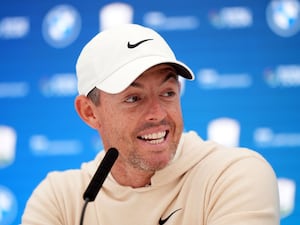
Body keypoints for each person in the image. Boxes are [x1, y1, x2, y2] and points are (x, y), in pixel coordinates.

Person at [21, 24, 280, 225]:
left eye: (167, 93)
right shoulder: (59, 197)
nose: (157, 114)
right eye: (134, 98)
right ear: (89, 112)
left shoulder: (233, 175)